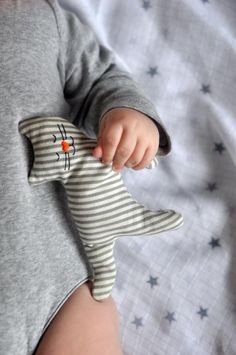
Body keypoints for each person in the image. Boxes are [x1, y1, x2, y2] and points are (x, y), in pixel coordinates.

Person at [0, 1, 170, 354]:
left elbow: (102, 79)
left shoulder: (43, 20)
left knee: (92, 317)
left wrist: (126, 112)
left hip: (60, 290)